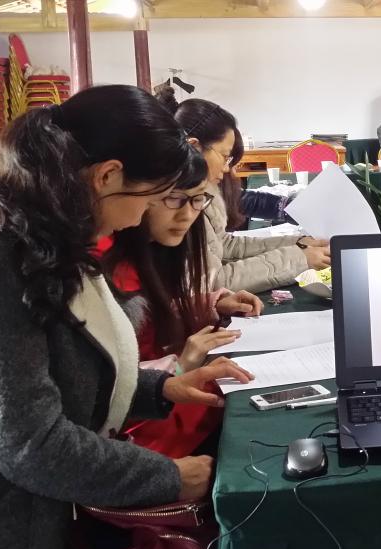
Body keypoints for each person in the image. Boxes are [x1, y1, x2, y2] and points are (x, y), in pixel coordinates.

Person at [0, 85, 252, 549]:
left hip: (42, 515)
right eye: (151, 198)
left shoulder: (49, 230)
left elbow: (68, 367)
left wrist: (161, 388)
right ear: (107, 175)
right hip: (2, 533)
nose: (140, 218)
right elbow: (31, 444)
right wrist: (168, 476)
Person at [101, 167, 264, 457]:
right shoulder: (103, 266)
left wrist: (210, 304)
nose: (188, 214)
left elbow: (154, 313)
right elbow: (101, 382)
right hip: (141, 430)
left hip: (167, 401)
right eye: (174, 198)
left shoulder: (155, 250)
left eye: (198, 199)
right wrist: (181, 364)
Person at [159, 97, 330, 293]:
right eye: (225, 157)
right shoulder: (180, 205)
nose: (227, 169)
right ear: (195, 147)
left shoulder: (202, 192)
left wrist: (298, 244)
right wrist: (300, 258)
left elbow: (224, 246)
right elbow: (211, 282)